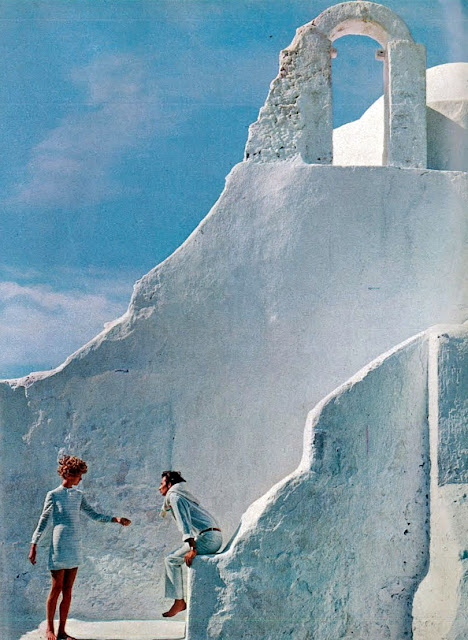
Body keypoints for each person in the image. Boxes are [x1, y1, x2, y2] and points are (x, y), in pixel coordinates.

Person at [29, 455, 131, 640]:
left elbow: (93, 514)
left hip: (74, 544)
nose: (81, 479)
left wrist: (114, 519)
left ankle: (62, 631)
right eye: (79, 475)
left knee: (68, 589)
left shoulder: (78, 495)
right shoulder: (54, 494)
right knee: (56, 588)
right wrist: (34, 544)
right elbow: (43, 520)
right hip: (59, 543)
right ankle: (50, 629)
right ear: (69, 474)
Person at [159, 470, 222, 617]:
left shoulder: (174, 497)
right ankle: (179, 601)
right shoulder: (181, 496)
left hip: (208, 538)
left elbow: (185, 524)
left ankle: (179, 602)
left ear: (169, 484)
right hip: (212, 536)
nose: (159, 487)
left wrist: (193, 548)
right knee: (172, 558)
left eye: (162, 484)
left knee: (171, 560)